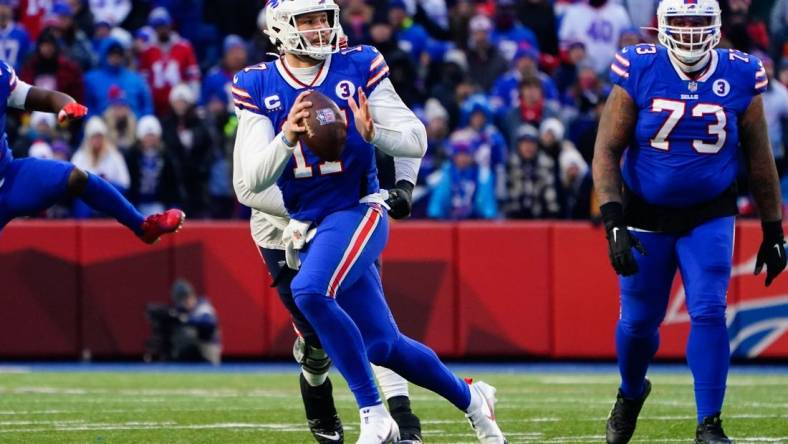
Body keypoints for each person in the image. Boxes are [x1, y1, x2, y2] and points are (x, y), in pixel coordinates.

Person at [233, 1, 506, 443]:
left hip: (356, 208)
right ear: (281, 29)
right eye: (309, 20)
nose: (321, 28)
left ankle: (374, 412)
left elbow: (415, 139)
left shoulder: (358, 63)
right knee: (383, 344)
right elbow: (249, 182)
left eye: (324, 17)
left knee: (310, 292)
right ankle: (474, 399)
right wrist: (287, 137)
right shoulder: (256, 83)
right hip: (302, 220)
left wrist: (375, 134)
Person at [591, 1, 786, 443]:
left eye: (699, 22)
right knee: (639, 323)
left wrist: (774, 229)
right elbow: (607, 149)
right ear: (662, 26)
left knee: (709, 309)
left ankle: (709, 422)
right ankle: (631, 392)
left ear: (716, 26)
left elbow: (759, 159)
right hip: (644, 210)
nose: (691, 31)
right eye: (681, 22)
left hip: (709, 210)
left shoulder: (740, 73)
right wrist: (613, 222)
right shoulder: (639, 66)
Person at [0, 60, 184, 240]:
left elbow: (43, 97)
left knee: (75, 177)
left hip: (8, 176)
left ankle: (142, 226)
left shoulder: (2, 74)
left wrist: (66, 104)